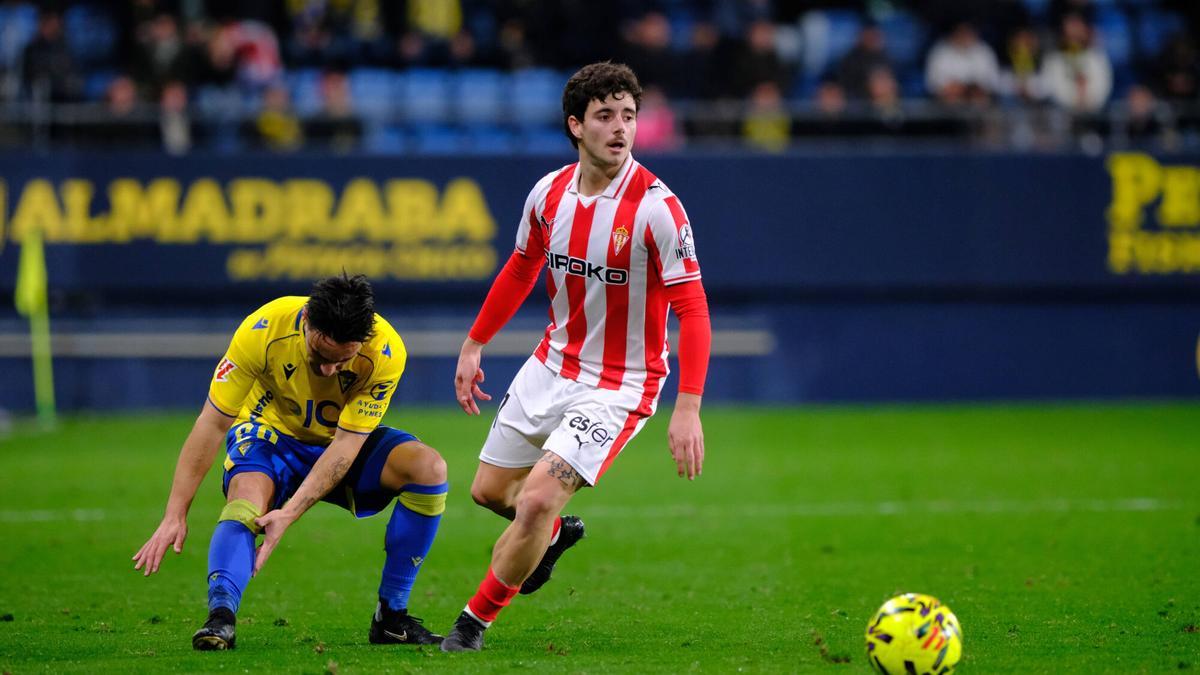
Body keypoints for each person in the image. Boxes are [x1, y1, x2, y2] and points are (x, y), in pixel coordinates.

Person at [442, 61, 711, 652]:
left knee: (536, 498)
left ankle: (470, 626)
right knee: (489, 492)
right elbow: (521, 267)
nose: (621, 129)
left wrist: (687, 407)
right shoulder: (549, 194)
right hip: (551, 365)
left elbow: (693, 309)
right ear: (576, 125)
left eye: (629, 116)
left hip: (621, 384)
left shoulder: (657, 208)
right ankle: (554, 536)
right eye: (605, 116)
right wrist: (474, 342)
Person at [132, 274, 448, 650]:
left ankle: (391, 619)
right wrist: (175, 512)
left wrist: (290, 513)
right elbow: (212, 424)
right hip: (270, 436)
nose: (329, 370)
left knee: (429, 469)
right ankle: (221, 618)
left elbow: (346, 446)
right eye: (320, 356)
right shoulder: (262, 330)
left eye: (341, 360)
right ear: (305, 323)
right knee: (246, 497)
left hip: (338, 441)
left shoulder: (385, 352)